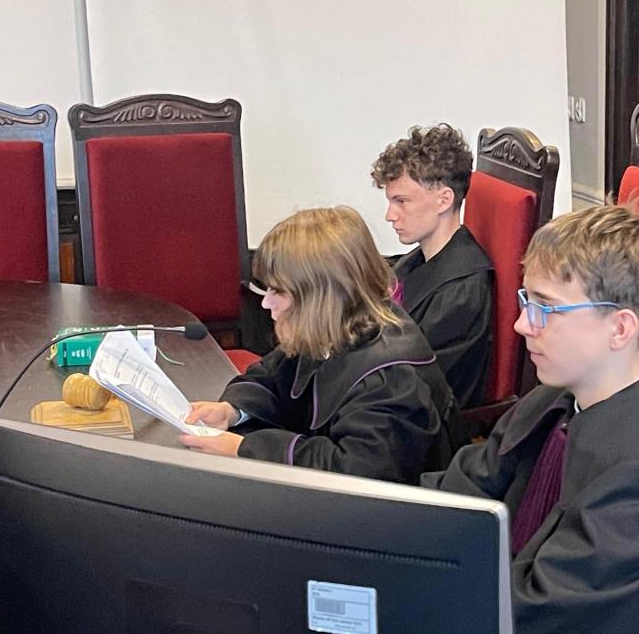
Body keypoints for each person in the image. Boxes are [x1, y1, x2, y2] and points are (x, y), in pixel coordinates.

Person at [422, 204, 639, 632]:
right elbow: (462, 491)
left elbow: (553, 608)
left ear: (620, 329)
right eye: (527, 301)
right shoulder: (551, 402)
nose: (521, 325)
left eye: (546, 308)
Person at [180, 206, 459, 485]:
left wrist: (247, 449)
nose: (265, 302)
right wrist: (232, 411)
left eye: (278, 291)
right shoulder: (331, 329)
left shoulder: (391, 379)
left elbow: (356, 473)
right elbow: (269, 376)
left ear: (321, 298)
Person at [371, 123, 493, 410]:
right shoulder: (417, 259)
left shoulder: (460, 293)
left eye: (401, 201)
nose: (390, 215)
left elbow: (414, 386)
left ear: (443, 200)